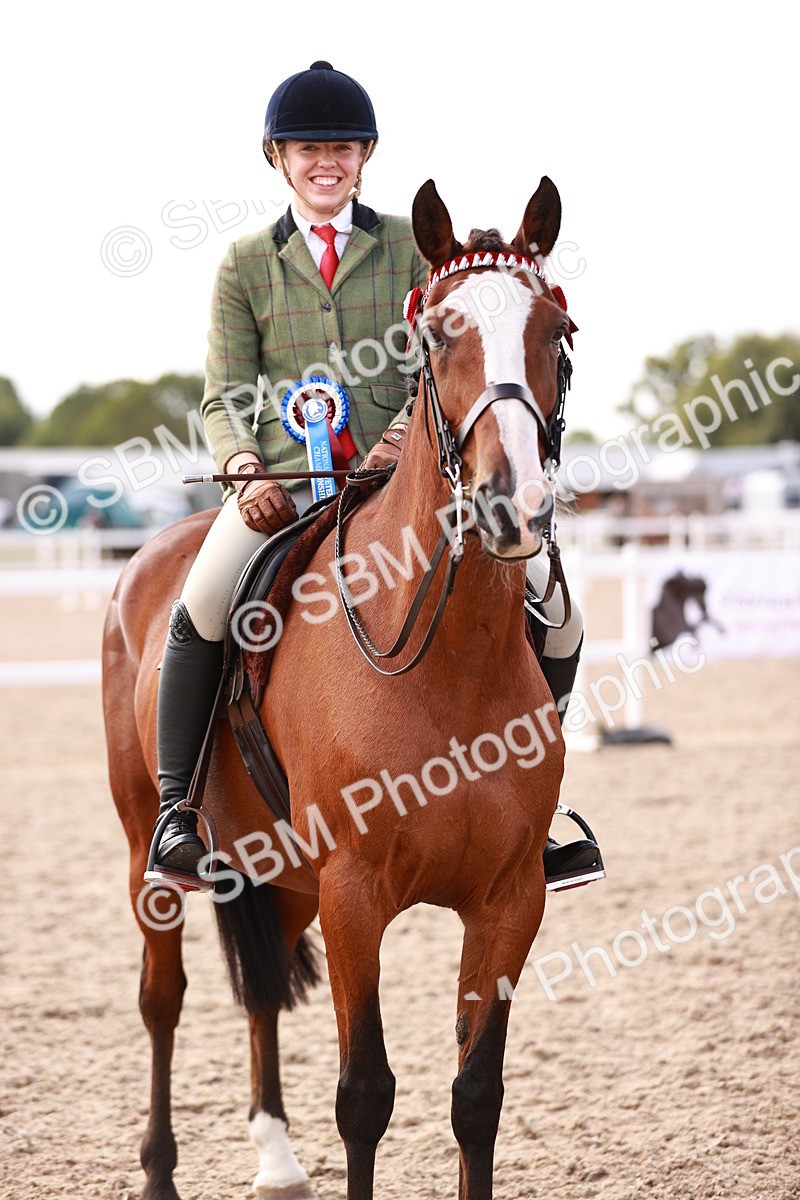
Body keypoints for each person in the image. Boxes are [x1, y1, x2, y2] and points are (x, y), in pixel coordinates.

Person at [149, 60, 601, 891]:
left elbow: (450, 359)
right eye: (308, 147)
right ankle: (177, 811)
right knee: (203, 601)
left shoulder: (413, 246)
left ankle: (537, 814)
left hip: (414, 479)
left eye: (344, 147)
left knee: (557, 606)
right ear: (277, 158)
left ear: (365, 156)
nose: (327, 161)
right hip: (281, 484)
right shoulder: (245, 264)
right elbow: (224, 393)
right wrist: (244, 464)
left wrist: (398, 440)